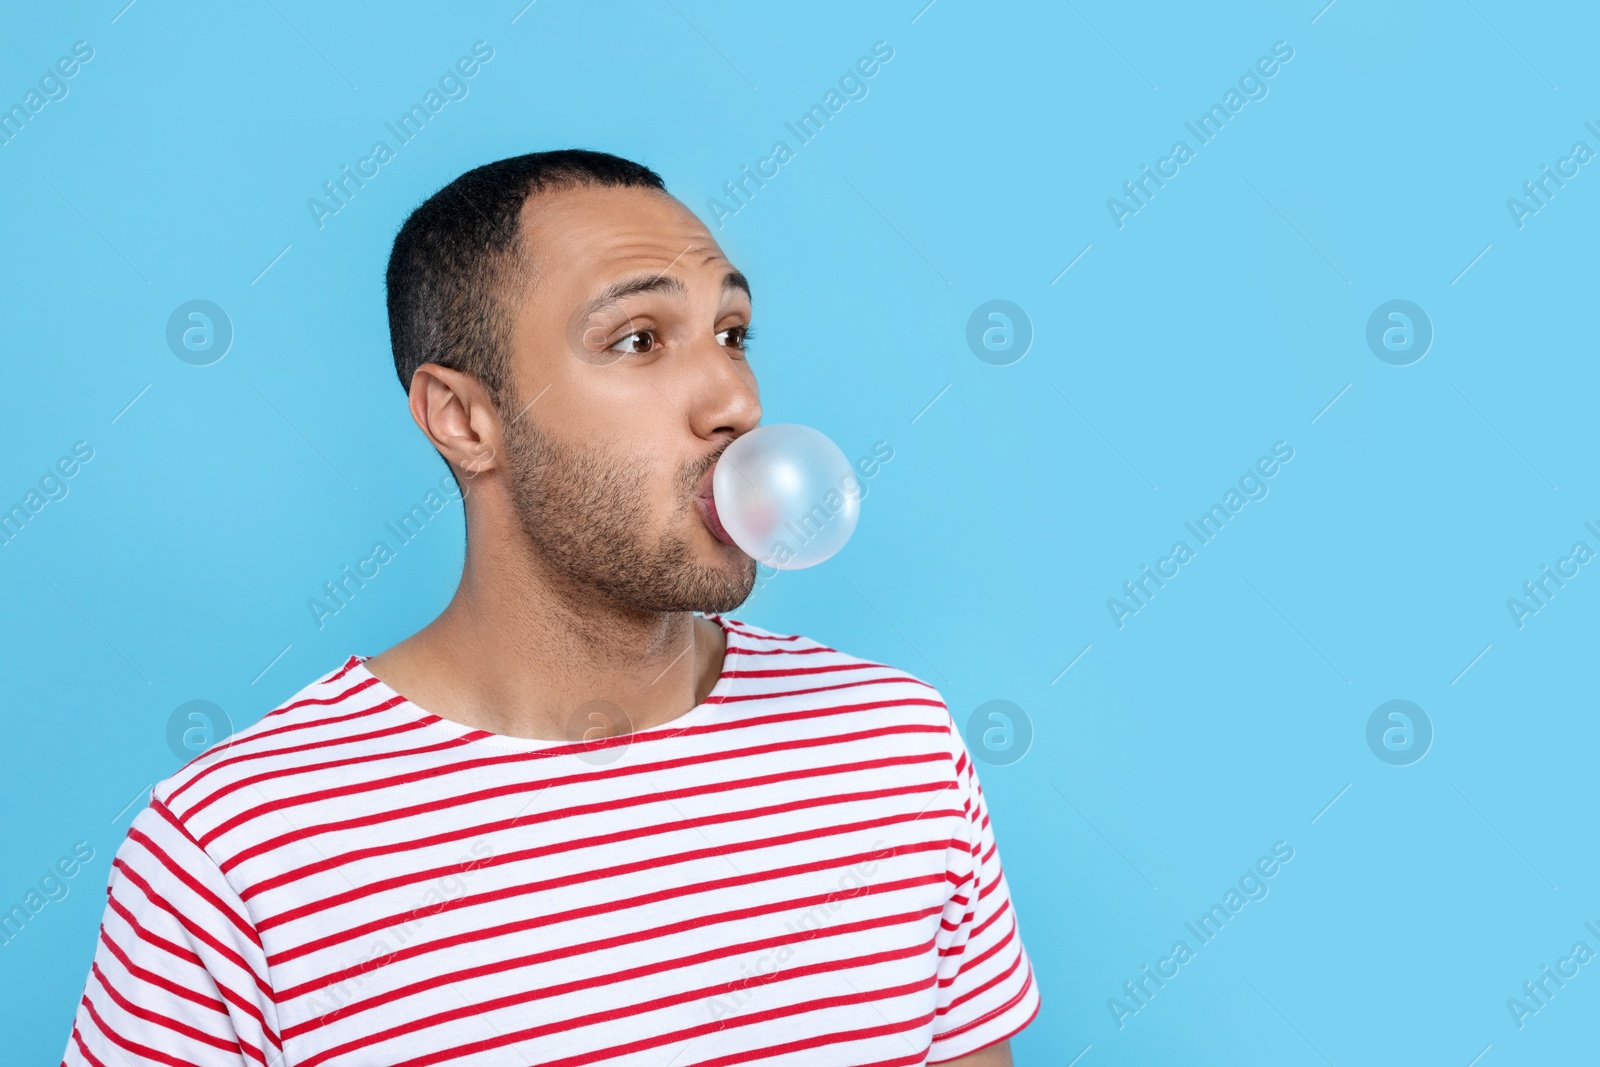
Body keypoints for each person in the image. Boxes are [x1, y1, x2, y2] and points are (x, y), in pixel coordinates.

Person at [60, 149, 1041, 1065]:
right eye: (639, 338)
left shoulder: (895, 744)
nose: (734, 401)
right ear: (465, 417)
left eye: (732, 334)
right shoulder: (234, 851)